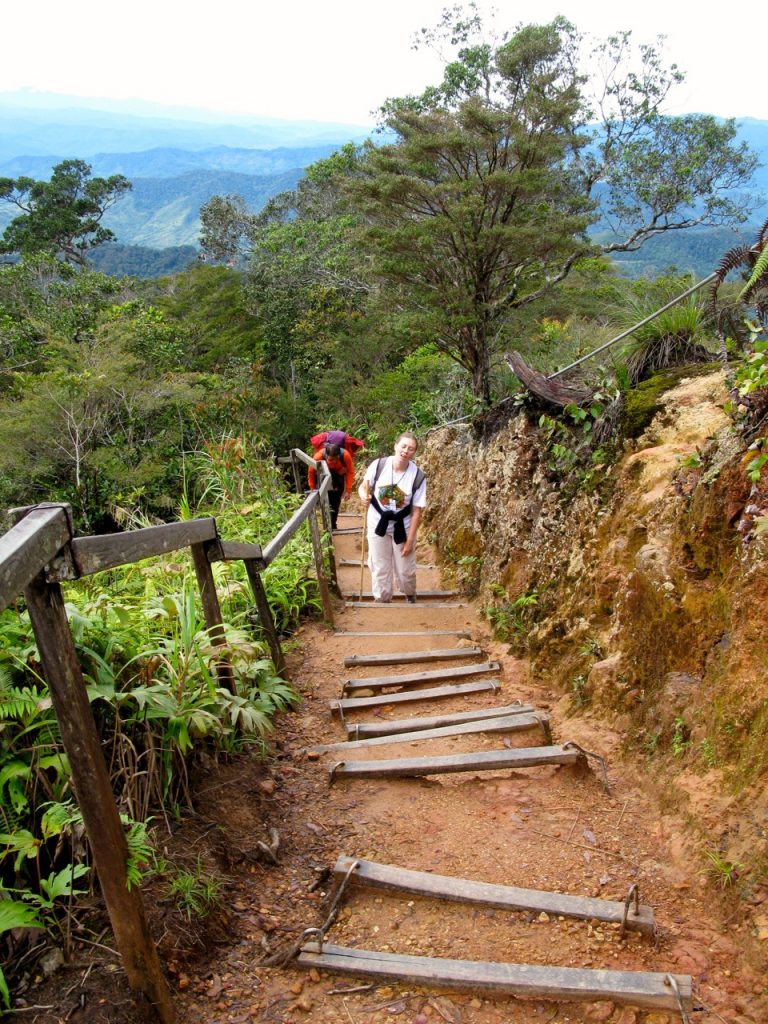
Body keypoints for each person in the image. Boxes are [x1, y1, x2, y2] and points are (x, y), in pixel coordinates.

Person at [358, 432, 427, 604]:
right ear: (395, 446)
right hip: (377, 521)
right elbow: (364, 486)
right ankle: (382, 598)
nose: (406, 451)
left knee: (405, 568)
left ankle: (409, 593)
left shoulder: (417, 476)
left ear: (414, 453)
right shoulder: (379, 465)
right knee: (379, 564)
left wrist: (410, 540)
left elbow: (417, 510)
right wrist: (363, 496)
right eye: (403, 446)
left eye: (410, 449)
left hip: (402, 525)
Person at [308, 443, 354, 530]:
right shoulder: (318, 456)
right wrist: (312, 487)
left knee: (335, 503)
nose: (331, 461)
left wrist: (348, 490)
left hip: (338, 478)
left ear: (338, 456)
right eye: (330, 459)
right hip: (323, 478)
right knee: (326, 502)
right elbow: (311, 472)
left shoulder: (345, 455)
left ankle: (333, 524)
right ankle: (327, 526)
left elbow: (350, 471)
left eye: (333, 459)